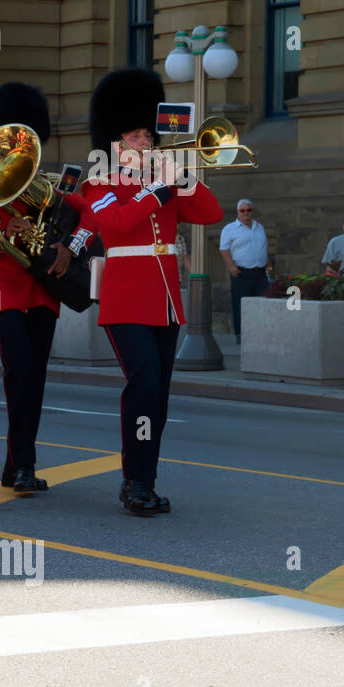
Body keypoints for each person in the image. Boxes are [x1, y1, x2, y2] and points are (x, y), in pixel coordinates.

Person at [83, 67, 222, 516]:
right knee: (142, 384)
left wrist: (185, 177)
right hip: (125, 299)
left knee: (158, 392)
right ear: (115, 140)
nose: (146, 141)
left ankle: (147, 479)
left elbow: (208, 212)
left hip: (164, 301)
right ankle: (133, 481)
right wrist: (158, 187)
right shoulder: (99, 182)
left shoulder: (164, 177)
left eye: (148, 133)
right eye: (136, 134)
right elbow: (118, 225)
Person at [0, 82, 97, 495]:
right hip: (4, 289)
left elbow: (90, 217)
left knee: (34, 377)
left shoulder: (48, 187)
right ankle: (20, 463)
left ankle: (19, 464)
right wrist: (1, 232)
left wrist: (69, 248)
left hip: (41, 291)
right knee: (18, 370)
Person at [219, 198, 271, 340]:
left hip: (260, 272)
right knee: (241, 304)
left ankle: (259, 333)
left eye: (248, 210)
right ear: (238, 212)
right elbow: (224, 249)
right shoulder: (229, 229)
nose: (245, 213)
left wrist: (268, 265)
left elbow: (263, 247)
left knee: (263, 301)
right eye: (242, 211)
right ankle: (241, 334)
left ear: (252, 211)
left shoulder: (259, 227)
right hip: (241, 272)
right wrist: (231, 267)